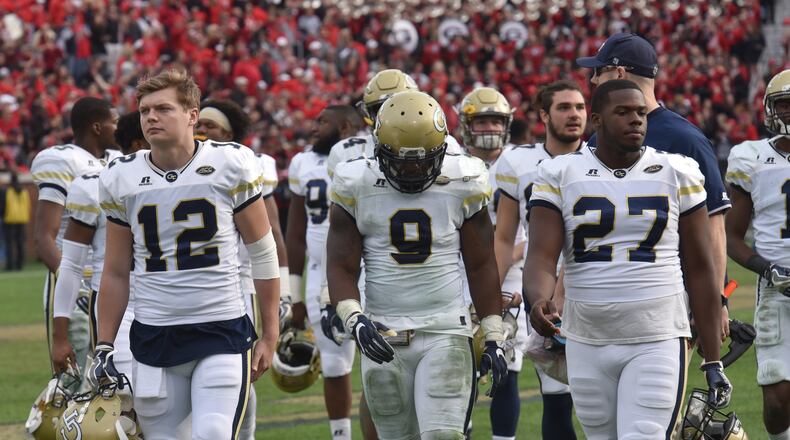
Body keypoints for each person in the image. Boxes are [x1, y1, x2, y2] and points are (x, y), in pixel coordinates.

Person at [525, 80, 731, 439]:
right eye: (622, 112)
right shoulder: (560, 173)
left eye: (640, 112)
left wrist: (713, 358)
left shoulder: (677, 171)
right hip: (586, 337)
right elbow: (541, 256)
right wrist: (539, 299)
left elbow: (701, 268)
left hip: (657, 334)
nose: (636, 119)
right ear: (597, 120)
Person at [92, 69, 280, 439]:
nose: (151, 117)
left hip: (221, 329)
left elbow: (262, 251)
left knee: (213, 433)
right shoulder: (121, 176)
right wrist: (104, 345)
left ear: (192, 115)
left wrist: (271, 333)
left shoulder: (230, 163)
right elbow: (115, 270)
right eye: (145, 111)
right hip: (154, 334)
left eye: (163, 109)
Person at [327, 91, 508, 439]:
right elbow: (340, 265)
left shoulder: (464, 178)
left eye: (424, 161)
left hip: (446, 329)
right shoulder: (356, 181)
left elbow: (482, 264)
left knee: (444, 435)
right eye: (402, 161)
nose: (413, 170)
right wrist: (354, 318)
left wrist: (494, 335)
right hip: (383, 331)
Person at [576, 33, 732, 338]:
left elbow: (714, 226)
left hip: (669, 300)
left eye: (599, 71)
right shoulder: (598, 139)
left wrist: (715, 301)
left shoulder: (685, 139)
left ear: (619, 73)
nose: (593, 80)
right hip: (601, 298)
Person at [494, 79, 586, 440]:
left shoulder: (602, 155)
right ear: (544, 115)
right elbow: (505, 237)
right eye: (564, 107)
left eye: (579, 107)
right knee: (557, 398)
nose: (574, 114)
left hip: (593, 284)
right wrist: (487, 297)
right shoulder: (517, 162)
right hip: (544, 289)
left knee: (602, 399)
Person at [195, 98, 289, 440]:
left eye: (210, 126)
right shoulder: (180, 163)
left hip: (240, 284)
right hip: (193, 285)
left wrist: (285, 293)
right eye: (199, 124)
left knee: (240, 377)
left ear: (230, 133)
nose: (202, 131)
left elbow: (272, 235)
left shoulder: (249, 164)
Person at [51, 111, 148, 382]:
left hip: (172, 301)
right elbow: (71, 264)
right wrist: (60, 336)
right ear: (140, 143)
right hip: (117, 309)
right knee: (124, 393)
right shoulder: (96, 184)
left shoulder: (184, 179)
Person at [286, 105, 363, 440]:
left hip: (369, 270)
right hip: (320, 274)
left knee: (384, 362)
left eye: (323, 122)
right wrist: (294, 294)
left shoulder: (368, 155)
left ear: (345, 127)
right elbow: (294, 233)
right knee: (333, 365)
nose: (314, 127)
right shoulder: (302, 162)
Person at [31, 96, 119, 378]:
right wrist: (76, 288)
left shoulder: (117, 161)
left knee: (113, 381)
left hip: (112, 285)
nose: (118, 128)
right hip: (77, 283)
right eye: (114, 122)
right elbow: (44, 238)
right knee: (73, 384)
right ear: (96, 127)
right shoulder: (63, 160)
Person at [457, 86, 526, 440]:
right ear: (466, 125)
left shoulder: (523, 162)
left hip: (509, 274)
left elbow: (531, 232)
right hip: (458, 272)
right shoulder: (450, 162)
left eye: (495, 121)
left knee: (506, 366)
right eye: (481, 121)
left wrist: (497, 269)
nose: (489, 128)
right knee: (460, 366)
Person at [725, 69, 790, 440]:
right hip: (777, 290)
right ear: (770, 109)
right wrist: (769, 270)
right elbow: (731, 237)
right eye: (785, 104)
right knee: (778, 400)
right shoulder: (751, 157)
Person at [2, 171, 30, 270]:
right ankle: (20, 264)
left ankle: (10, 265)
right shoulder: (24, 191)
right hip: (22, 219)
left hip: (9, 219)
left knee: (9, 243)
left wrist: (3, 215)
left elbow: (3, 206)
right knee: (20, 243)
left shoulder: (7, 191)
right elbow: (28, 205)